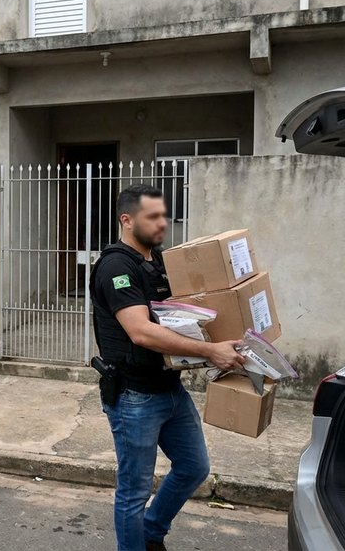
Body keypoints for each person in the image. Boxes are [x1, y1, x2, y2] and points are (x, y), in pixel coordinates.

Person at [89, 185, 247, 551]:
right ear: (127, 220)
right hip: (134, 397)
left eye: (164, 215)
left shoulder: (158, 260)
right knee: (134, 491)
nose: (163, 223)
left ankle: (151, 531)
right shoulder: (115, 267)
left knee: (194, 467)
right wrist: (210, 351)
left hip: (170, 389)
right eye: (153, 217)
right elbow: (141, 332)